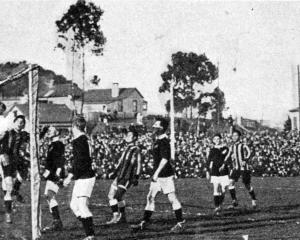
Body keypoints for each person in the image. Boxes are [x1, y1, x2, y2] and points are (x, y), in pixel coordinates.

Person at [131, 118, 185, 233]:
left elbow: (165, 159)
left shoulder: (164, 141)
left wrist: (156, 173)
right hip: (158, 175)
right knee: (150, 197)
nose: (153, 127)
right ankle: (144, 223)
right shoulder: (157, 140)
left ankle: (181, 223)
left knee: (172, 198)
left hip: (164, 175)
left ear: (162, 128)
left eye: (156, 126)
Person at [63, 116, 96, 240]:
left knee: (82, 206)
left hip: (86, 177)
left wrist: (69, 176)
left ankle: (90, 235)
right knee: (74, 206)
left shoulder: (80, 140)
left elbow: (80, 161)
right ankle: (89, 227)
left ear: (74, 127)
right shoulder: (82, 139)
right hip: (82, 177)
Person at [106, 125, 141, 224]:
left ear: (134, 138)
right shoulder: (126, 148)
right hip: (119, 176)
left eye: (129, 135)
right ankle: (120, 217)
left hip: (127, 177)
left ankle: (118, 216)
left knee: (116, 197)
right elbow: (120, 161)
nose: (127, 136)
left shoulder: (136, 149)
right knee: (111, 196)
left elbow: (139, 163)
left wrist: (136, 177)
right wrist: (114, 172)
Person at [0, 115, 28, 223]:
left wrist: (43, 131)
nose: (20, 124)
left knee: (24, 174)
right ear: (14, 122)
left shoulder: (24, 134)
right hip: (6, 159)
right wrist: (1, 154)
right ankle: (8, 214)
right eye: (18, 122)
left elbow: (35, 138)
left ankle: (16, 191)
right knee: (8, 187)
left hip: (18, 160)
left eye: (22, 122)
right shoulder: (8, 132)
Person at [221, 129, 257, 208]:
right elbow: (228, 155)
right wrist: (224, 164)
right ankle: (234, 200)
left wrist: (245, 160)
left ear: (239, 137)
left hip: (244, 168)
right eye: (233, 135)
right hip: (236, 168)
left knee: (247, 185)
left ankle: (254, 199)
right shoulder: (232, 146)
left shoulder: (243, 145)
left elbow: (249, 153)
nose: (234, 137)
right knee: (230, 183)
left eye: (236, 135)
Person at [42, 126, 65, 232]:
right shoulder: (52, 144)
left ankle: (57, 222)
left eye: (50, 130)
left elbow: (60, 160)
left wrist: (58, 174)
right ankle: (56, 221)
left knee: (50, 195)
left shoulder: (58, 144)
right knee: (48, 195)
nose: (48, 132)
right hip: (51, 174)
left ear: (57, 132)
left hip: (55, 174)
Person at [206, 133, 229, 215]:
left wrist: (224, 165)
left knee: (223, 189)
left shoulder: (225, 148)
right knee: (215, 189)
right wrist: (207, 171)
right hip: (215, 171)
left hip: (224, 171)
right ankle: (217, 207)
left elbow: (228, 158)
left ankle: (220, 205)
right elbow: (208, 161)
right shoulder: (212, 150)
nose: (216, 140)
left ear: (220, 139)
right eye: (215, 139)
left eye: (218, 139)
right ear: (213, 140)